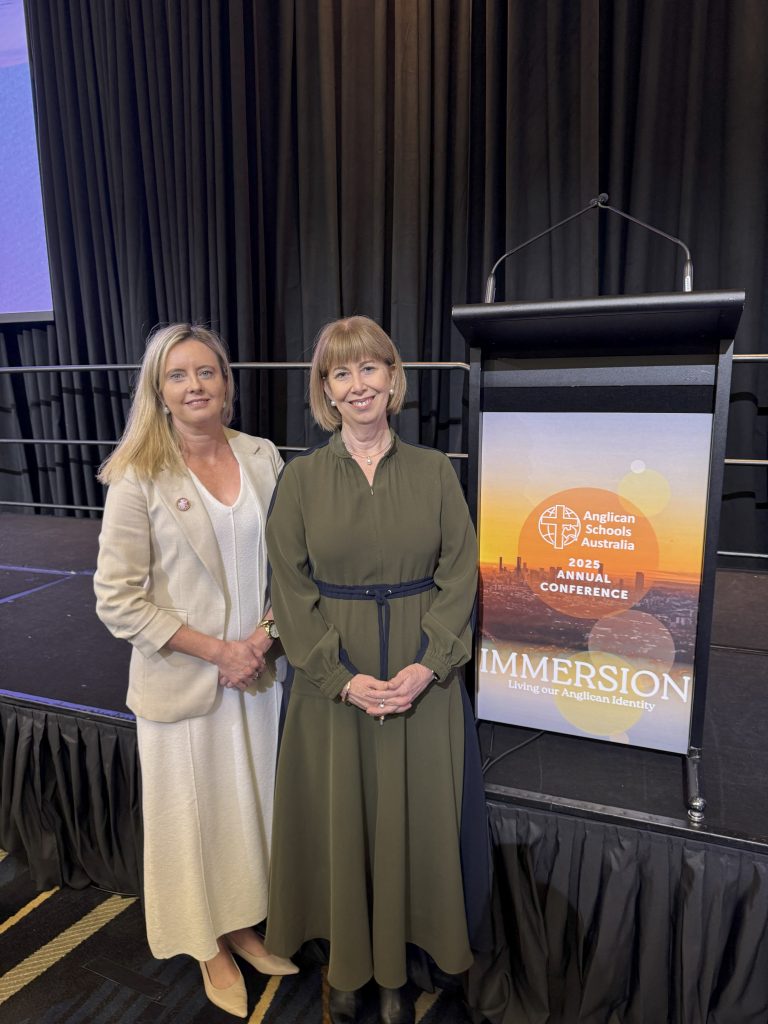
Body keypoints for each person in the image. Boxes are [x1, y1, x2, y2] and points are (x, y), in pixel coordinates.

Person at [264, 316, 490, 1024]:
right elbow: (289, 591)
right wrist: (339, 677)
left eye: (369, 369)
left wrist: (430, 665)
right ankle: (352, 967)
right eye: (341, 372)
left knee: (413, 820)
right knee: (344, 823)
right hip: (335, 684)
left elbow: (460, 575)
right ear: (325, 391)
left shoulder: (435, 473)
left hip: (422, 682)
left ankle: (398, 972)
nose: (357, 385)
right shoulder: (299, 480)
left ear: (394, 379)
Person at [94, 324, 297, 1020]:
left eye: (206, 371)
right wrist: (220, 652)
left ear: (227, 382)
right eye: (178, 375)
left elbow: (291, 566)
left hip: (257, 674)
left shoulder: (263, 456)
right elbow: (117, 599)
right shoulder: (137, 474)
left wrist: (262, 641)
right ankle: (205, 944)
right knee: (191, 818)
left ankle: (241, 923)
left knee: (246, 811)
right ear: (159, 389)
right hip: (187, 677)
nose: (195, 386)